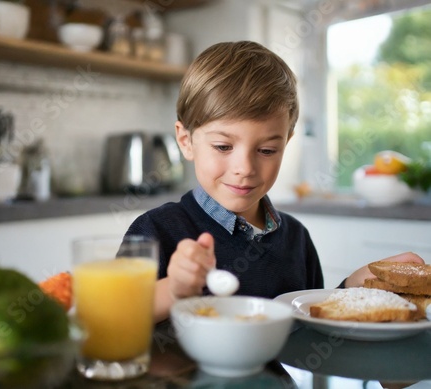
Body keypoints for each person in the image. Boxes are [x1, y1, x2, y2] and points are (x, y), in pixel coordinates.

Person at [124, 41, 424, 323]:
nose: (245, 168)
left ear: (286, 143)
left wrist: (358, 286)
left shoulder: (297, 239)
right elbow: (113, 318)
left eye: (266, 150)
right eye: (223, 147)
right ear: (186, 141)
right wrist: (173, 290)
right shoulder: (154, 231)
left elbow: (312, 325)